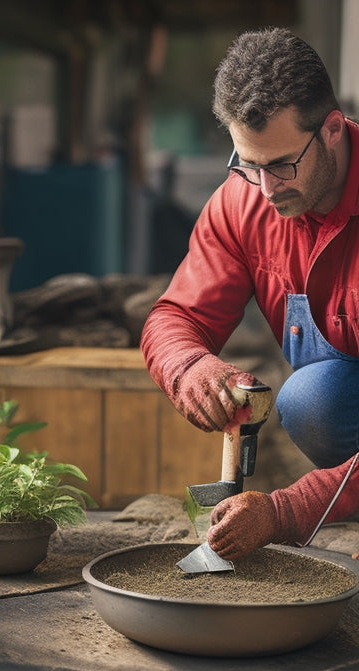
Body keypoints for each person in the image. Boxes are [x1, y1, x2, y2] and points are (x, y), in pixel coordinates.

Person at [140, 27, 359, 562]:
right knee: (314, 401)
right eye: (247, 163)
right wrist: (190, 367)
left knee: (311, 401)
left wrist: (289, 510)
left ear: (333, 129)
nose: (265, 188)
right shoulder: (244, 201)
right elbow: (173, 317)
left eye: (281, 164)